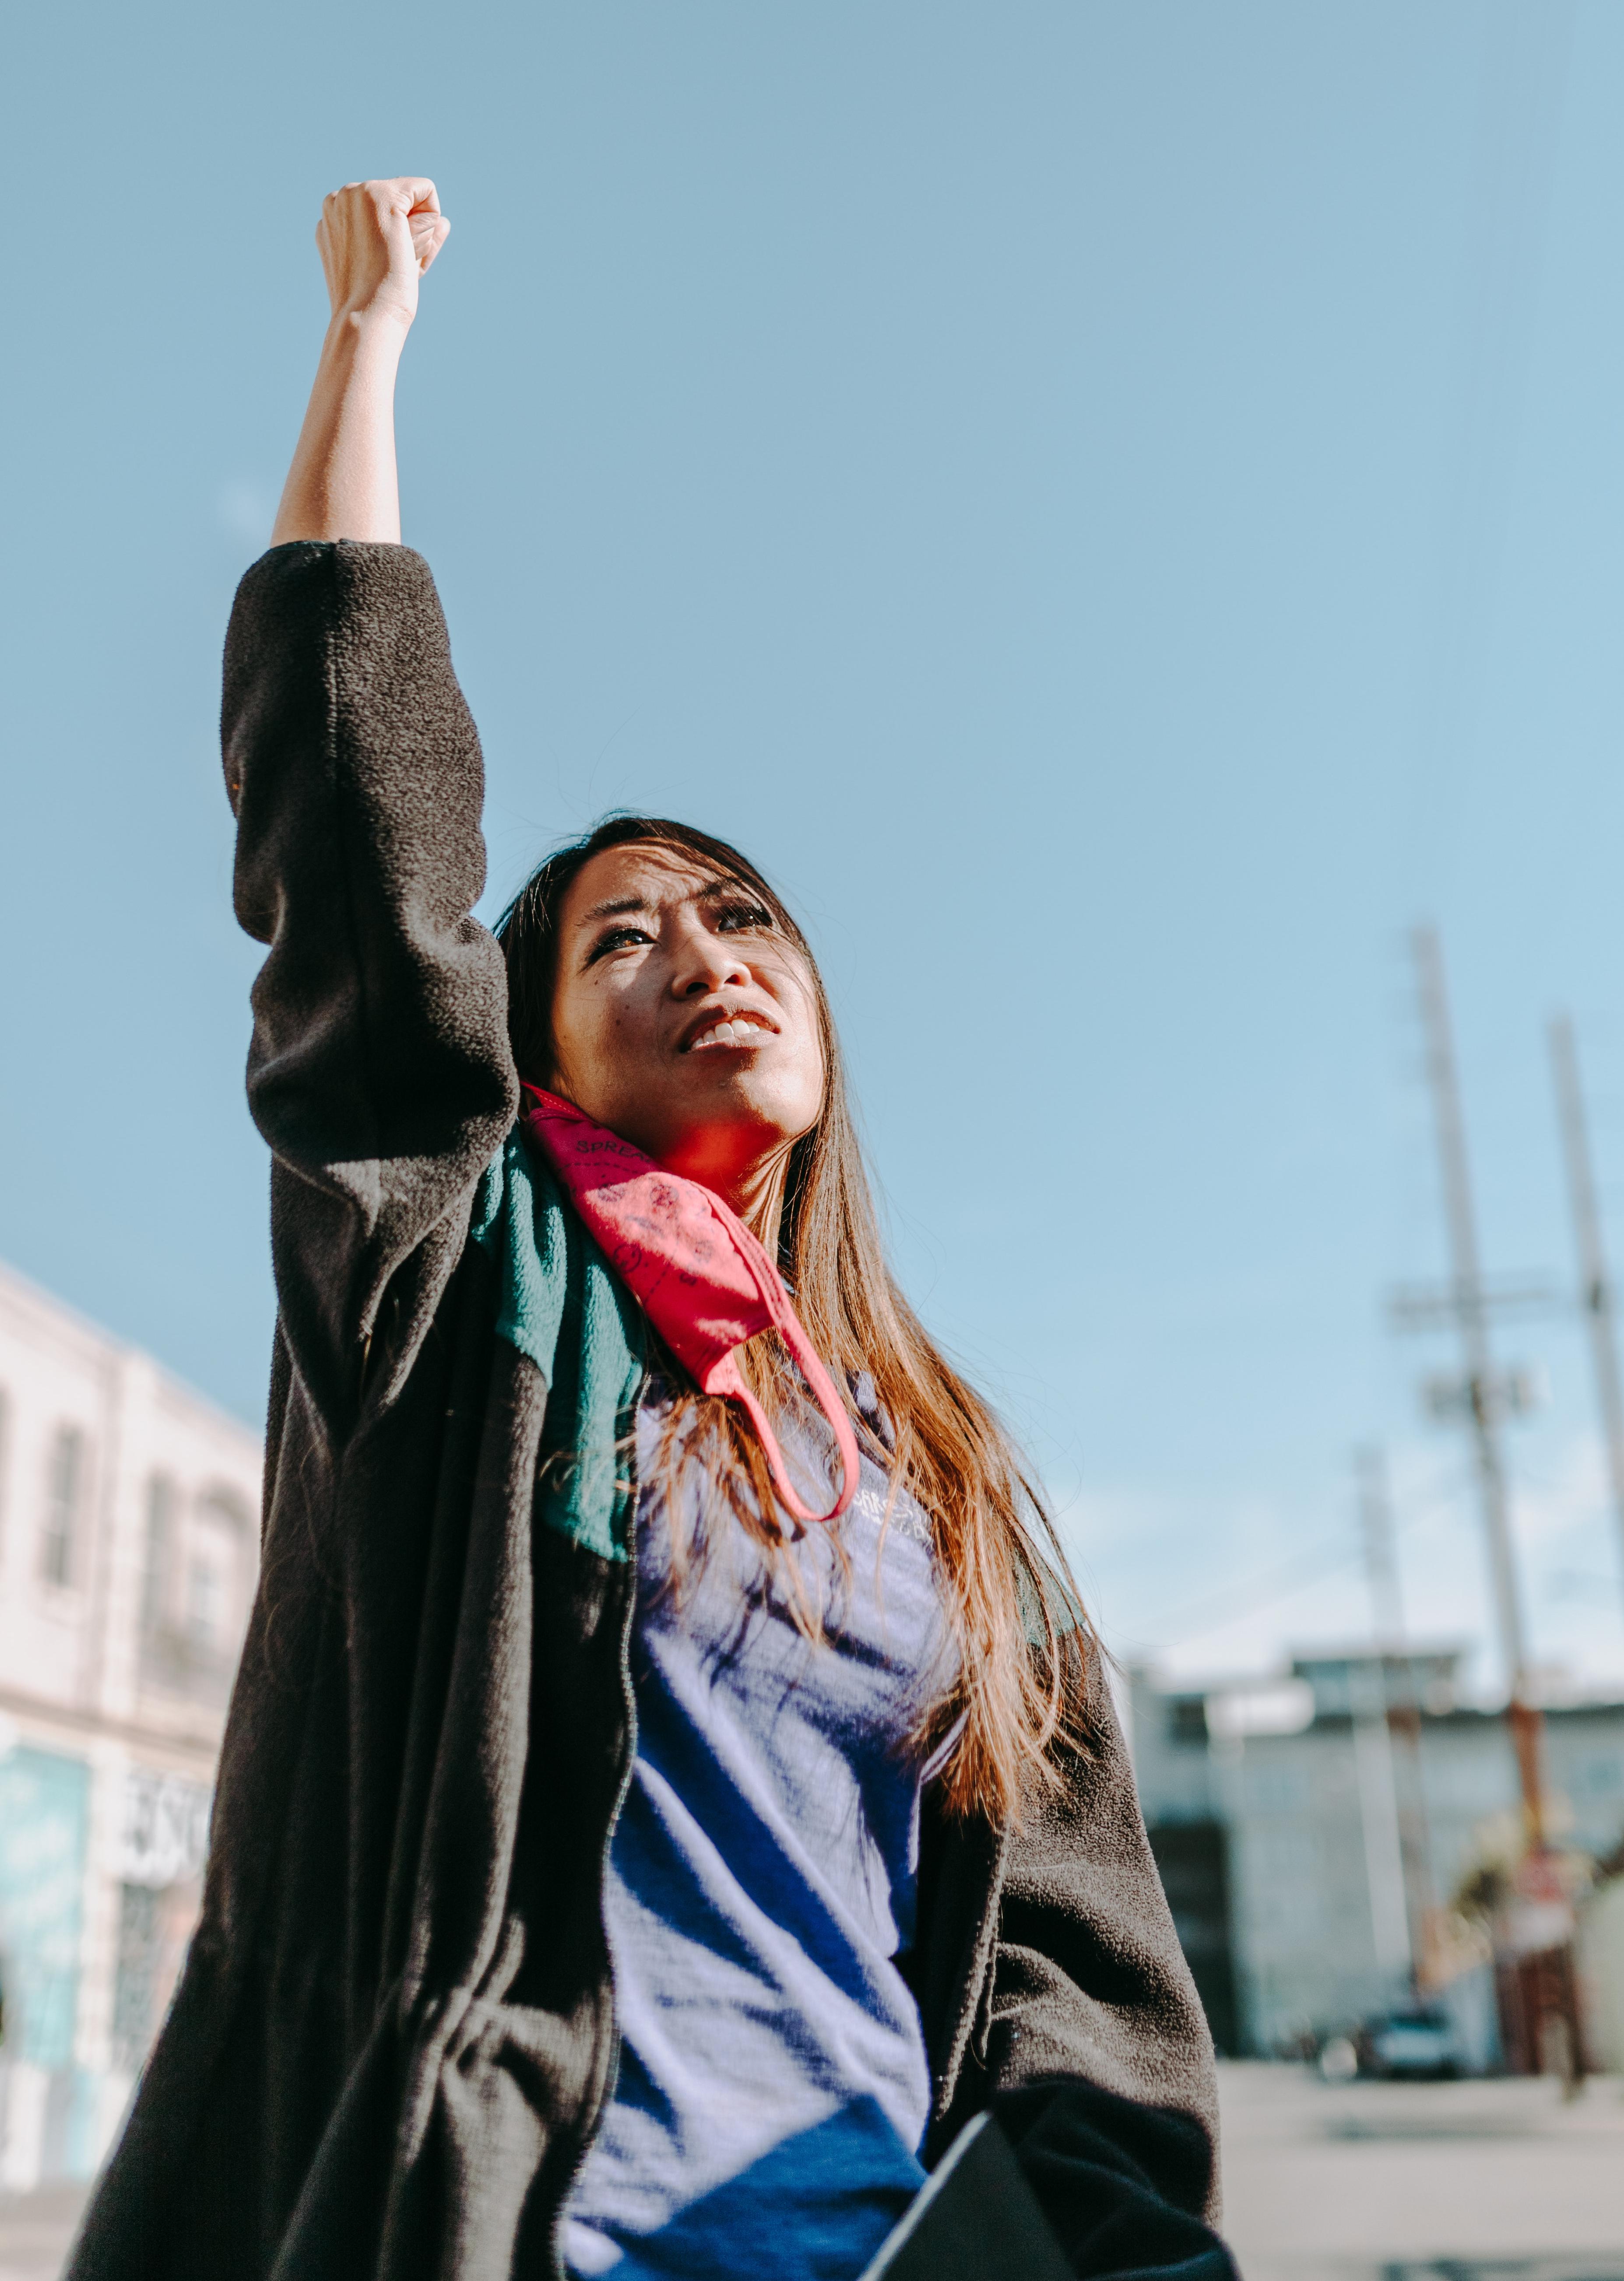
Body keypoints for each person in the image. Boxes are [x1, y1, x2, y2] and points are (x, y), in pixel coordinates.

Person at [67, 179, 1234, 2281]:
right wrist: (369, 339)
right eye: (627, 935)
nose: (710, 953)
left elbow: (1075, 1978)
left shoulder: (929, 1464)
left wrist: (1108, 2244)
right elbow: (357, 843)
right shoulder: (464, 1286)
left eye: (747, 913)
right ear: (533, 1055)